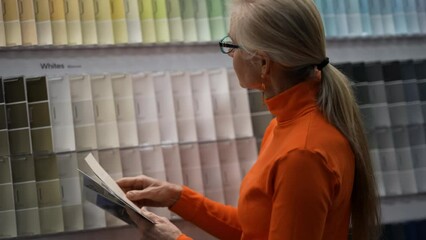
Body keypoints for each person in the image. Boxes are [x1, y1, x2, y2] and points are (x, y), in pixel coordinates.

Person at [117, 0, 381, 239]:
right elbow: (256, 230)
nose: (230, 55)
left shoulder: (302, 153)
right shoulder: (286, 124)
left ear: (263, 63)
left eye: (232, 46)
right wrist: (178, 197)